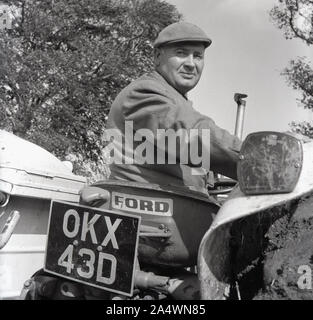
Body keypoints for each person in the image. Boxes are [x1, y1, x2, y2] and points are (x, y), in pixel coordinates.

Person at [106, 21, 242, 195]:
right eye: (181, 53)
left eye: (198, 56)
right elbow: (193, 133)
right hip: (148, 209)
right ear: (157, 56)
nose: (191, 64)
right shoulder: (144, 93)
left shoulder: (175, 99)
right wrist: (259, 158)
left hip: (176, 206)